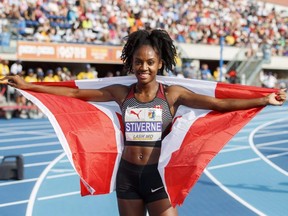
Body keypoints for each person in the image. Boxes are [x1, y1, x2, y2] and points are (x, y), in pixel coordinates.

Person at [1, 29, 286, 216]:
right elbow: (75, 92)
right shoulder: (121, 93)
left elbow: (219, 104)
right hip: (127, 177)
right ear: (131, 63)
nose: (144, 67)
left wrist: (262, 100)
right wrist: (30, 86)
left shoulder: (172, 95)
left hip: (154, 176)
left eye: (150, 62)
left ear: (160, 63)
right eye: (138, 62)